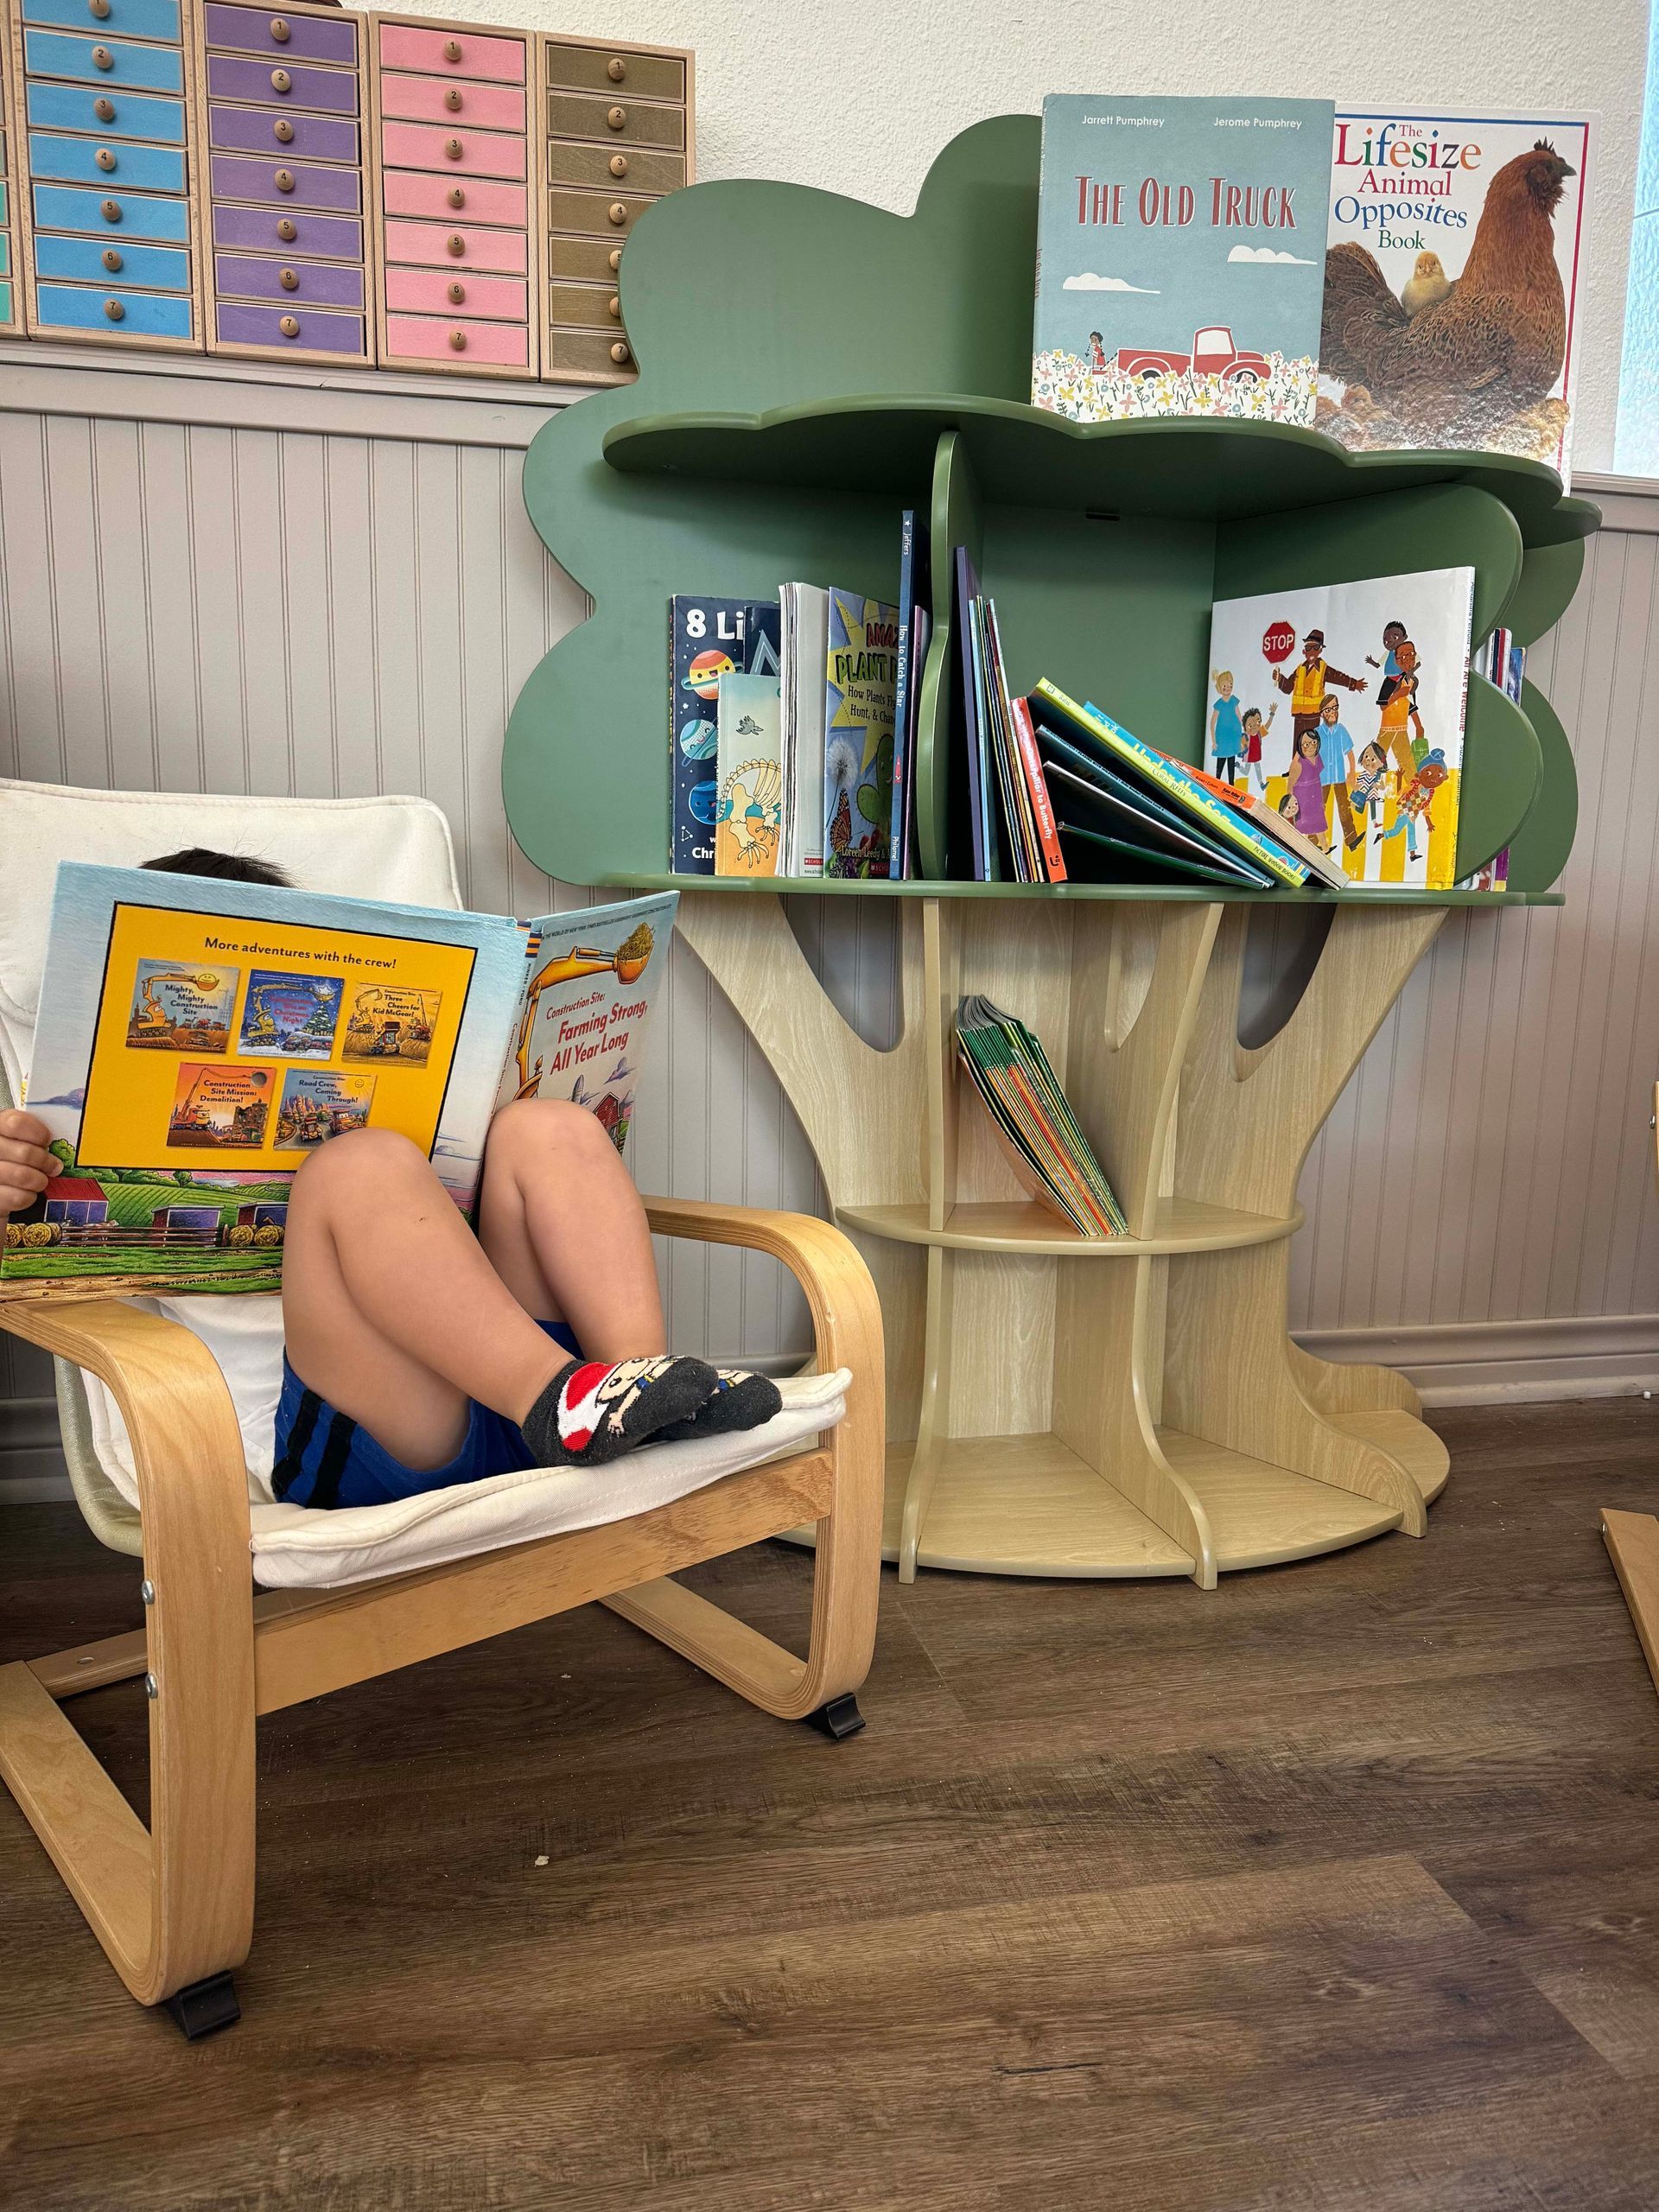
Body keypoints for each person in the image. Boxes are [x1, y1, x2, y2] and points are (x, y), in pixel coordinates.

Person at [0, 850, 779, 1512]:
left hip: (505, 1370)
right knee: (359, 1164)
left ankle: (635, 1398)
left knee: (550, 1129)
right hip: (376, 1425)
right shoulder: (56, 1128)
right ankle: (574, 1404)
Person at [1271, 627, 1367, 768]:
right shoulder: (1300, 669)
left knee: (1312, 742)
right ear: (1304, 650)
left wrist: (1354, 684)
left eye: (1315, 647)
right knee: (1298, 742)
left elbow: (1338, 677)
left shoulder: (1322, 668)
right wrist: (1279, 679)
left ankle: (1313, 769)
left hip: (1314, 714)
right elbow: (1288, 688)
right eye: (1308, 647)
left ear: (1320, 650)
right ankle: (1295, 768)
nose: (1311, 651)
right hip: (1299, 714)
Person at [1315, 693, 1359, 848]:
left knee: (1344, 809)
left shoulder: (1341, 730)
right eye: (1328, 710)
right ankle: (1312, 841)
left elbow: (1350, 754)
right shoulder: (1317, 733)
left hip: (1340, 778)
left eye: (1335, 708)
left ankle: (1351, 839)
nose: (1333, 712)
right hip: (1322, 779)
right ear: (1322, 713)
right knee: (1318, 810)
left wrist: (1352, 772)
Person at [1210, 669, 1244, 783]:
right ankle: (1217, 781)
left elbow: (1239, 716)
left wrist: (1242, 733)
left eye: (1230, 685)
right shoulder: (1218, 704)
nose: (1228, 688)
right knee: (1221, 760)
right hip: (1222, 737)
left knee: (1231, 761)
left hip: (1233, 736)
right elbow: (1212, 722)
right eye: (1225, 686)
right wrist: (1214, 742)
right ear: (1220, 688)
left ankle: (1231, 784)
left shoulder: (1234, 700)